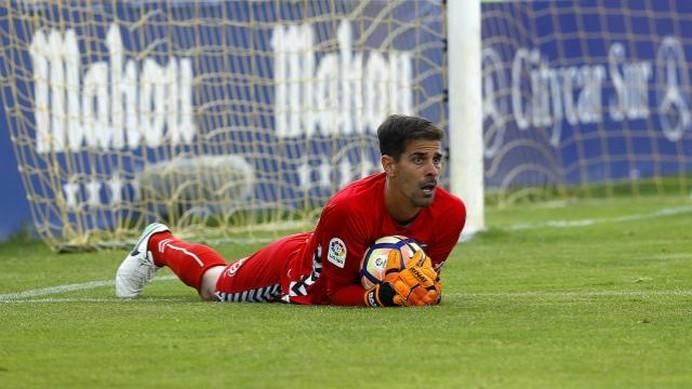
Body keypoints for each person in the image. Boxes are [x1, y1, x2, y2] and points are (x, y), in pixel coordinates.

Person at [115, 114, 466, 307]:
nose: (432, 169)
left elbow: (423, 278)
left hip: (331, 256)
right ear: (388, 165)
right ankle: (159, 243)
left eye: (436, 158)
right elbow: (329, 292)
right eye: (419, 159)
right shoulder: (348, 209)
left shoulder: (451, 213)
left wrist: (422, 291)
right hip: (296, 274)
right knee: (213, 285)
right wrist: (379, 298)